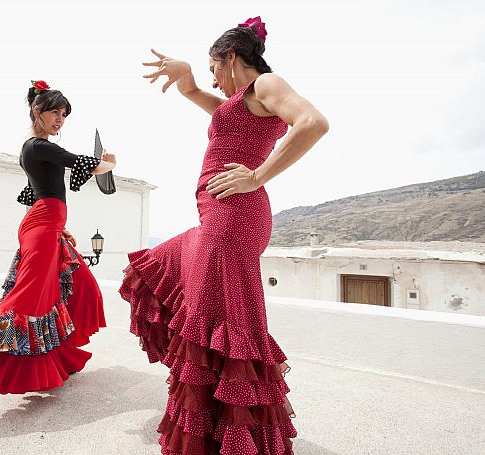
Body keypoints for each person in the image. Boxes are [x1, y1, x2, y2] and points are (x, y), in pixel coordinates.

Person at [119, 16, 328, 454]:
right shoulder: (240, 103)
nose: (213, 78)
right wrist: (189, 83)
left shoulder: (267, 85)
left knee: (223, 321)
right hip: (220, 220)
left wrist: (257, 176)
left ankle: (231, 439)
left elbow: (313, 122)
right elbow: (214, 107)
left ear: (232, 58)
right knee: (183, 288)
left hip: (233, 218)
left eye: (213, 68)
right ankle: (219, 433)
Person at [0, 80, 116, 438]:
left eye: (64, 114)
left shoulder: (40, 149)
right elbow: (81, 165)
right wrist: (106, 165)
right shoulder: (36, 146)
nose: (59, 119)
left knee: (81, 286)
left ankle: (60, 360)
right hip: (42, 227)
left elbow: (47, 193)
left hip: (47, 227)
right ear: (36, 111)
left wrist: (59, 230)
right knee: (22, 304)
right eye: (54, 112)